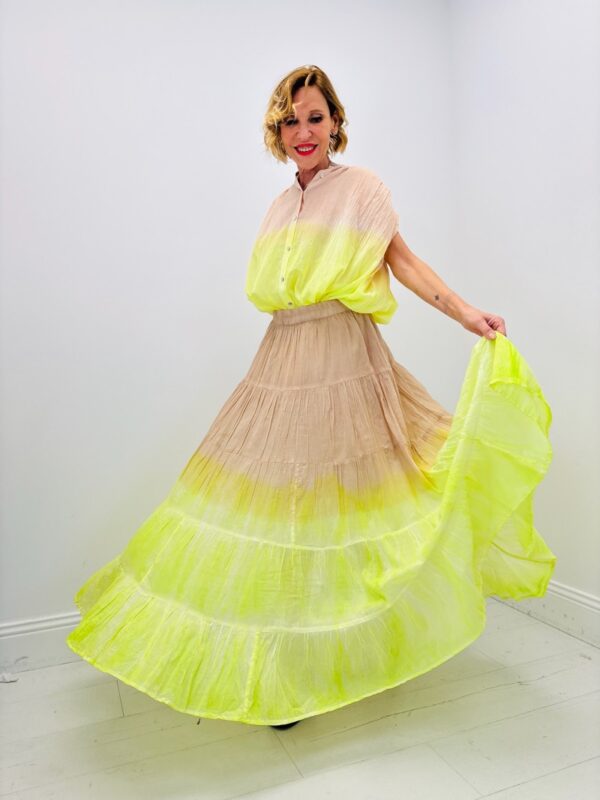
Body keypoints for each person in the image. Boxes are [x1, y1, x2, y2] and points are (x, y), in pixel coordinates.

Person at [66, 65, 556, 732]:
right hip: (283, 356)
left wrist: (467, 313)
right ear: (278, 130)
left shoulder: (363, 189)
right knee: (278, 507)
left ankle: (351, 650)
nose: (304, 131)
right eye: (291, 120)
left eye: (315, 118)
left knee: (355, 505)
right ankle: (281, 666)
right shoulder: (277, 208)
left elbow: (404, 263)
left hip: (347, 358)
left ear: (335, 123)